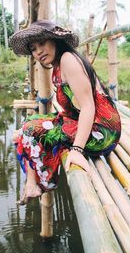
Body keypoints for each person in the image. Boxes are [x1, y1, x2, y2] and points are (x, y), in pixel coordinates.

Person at [9, 20, 121, 205]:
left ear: (55, 40)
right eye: (33, 48)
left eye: (42, 43)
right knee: (29, 123)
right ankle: (31, 183)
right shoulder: (59, 64)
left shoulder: (68, 59)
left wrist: (77, 150)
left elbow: (88, 107)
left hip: (102, 132)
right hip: (87, 122)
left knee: (30, 130)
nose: (38, 51)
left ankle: (41, 183)